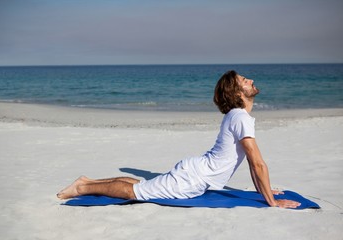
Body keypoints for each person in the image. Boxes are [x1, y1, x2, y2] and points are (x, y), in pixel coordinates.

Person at [57, 70, 301, 208]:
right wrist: (272, 202)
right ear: (238, 93)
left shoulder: (237, 116)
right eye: (243, 80)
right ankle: (82, 187)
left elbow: (252, 163)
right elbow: (257, 163)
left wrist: (266, 190)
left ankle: (87, 180)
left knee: (142, 186)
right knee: (137, 192)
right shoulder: (240, 117)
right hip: (192, 178)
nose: (250, 79)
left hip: (194, 172)